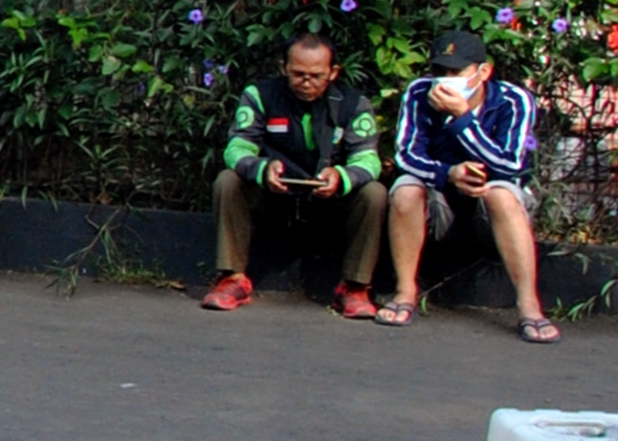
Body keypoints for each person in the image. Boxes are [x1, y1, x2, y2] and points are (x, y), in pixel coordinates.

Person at [379, 28, 553, 340]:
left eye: (456, 72)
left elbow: (510, 164)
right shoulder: (419, 93)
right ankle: (405, 292)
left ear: (482, 72)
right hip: (439, 199)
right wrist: (449, 174)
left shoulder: (513, 100)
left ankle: (529, 306)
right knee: (405, 188)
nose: (445, 79)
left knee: (501, 194)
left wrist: (463, 119)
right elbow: (406, 156)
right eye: (439, 71)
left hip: (492, 200)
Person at [202, 32, 384, 317]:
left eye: (316, 75)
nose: (306, 82)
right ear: (283, 67)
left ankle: (354, 286)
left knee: (374, 193)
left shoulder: (354, 104)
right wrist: (261, 169)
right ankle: (231, 278)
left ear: (333, 72)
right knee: (228, 180)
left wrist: (341, 177)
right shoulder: (259, 96)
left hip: (329, 203)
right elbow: (236, 148)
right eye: (298, 74)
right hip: (273, 199)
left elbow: (369, 159)